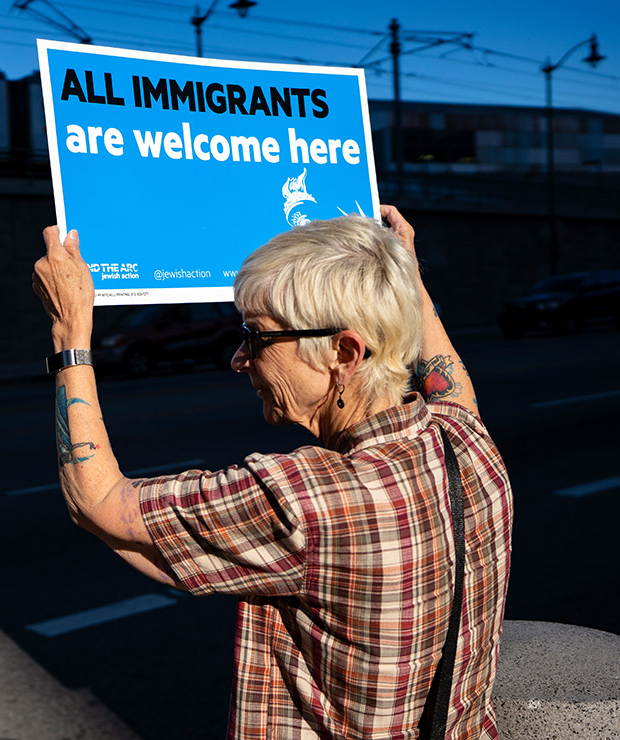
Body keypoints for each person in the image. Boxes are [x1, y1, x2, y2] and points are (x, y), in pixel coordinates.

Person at [31, 205, 512, 740]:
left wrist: (69, 332)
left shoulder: (306, 499)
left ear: (343, 351)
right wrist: (404, 272)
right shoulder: (466, 439)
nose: (239, 359)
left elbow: (98, 504)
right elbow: (451, 386)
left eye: (257, 337)